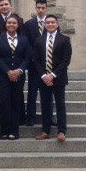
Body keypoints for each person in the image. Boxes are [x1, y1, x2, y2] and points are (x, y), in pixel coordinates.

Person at [33, 14, 72, 142]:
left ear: (57, 24)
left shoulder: (65, 39)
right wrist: (44, 76)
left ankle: (61, 131)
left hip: (58, 78)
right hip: (43, 79)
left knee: (60, 104)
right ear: (44, 25)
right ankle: (46, 131)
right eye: (47, 22)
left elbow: (65, 61)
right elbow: (36, 60)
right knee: (45, 105)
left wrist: (52, 75)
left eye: (52, 22)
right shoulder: (39, 40)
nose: (50, 24)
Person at [0, 14, 31, 140]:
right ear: (6, 24)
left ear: (17, 25)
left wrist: (19, 70)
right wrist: (8, 71)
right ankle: (4, 131)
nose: (11, 25)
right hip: (3, 76)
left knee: (15, 103)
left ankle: (14, 131)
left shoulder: (24, 39)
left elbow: (27, 58)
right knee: (4, 103)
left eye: (14, 23)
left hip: (18, 76)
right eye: (9, 22)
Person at [23, 0, 54, 126]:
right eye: (38, 8)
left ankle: (49, 118)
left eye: (43, 8)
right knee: (32, 91)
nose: (40, 10)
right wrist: (34, 59)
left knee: (48, 93)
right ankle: (30, 118)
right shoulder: (28, 24)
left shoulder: (51, 24)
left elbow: (55, 43)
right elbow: (26, 44)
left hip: (49, 64)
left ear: (46, 8)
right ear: (35, 8)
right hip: (34, 64)